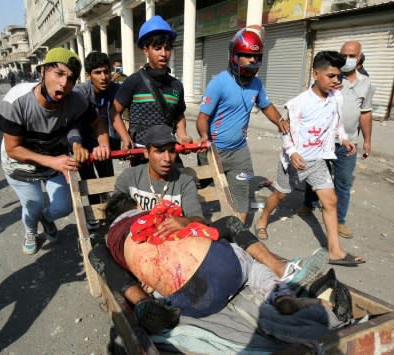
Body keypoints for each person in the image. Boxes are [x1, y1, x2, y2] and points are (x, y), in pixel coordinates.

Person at [114, 124, 327, 285]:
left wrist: (185, 220)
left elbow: (198, 219)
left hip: (183, 240)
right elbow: (115, 222)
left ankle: (281, 269)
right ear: (146, 153)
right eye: (159, 151)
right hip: (147, 249)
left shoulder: (184, 180)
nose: (167, 158)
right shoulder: (129, 179)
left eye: (171, 150)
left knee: (232, 223)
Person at [104, 192, 325, 320]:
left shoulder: (112, 241)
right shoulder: (152, 211)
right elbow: (201, 227)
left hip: (190, 304)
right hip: (226, 268)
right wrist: (187, 221)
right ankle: (281, 287)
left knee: (157, 281)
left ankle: (144, 304)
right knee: (249, 264)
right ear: (137, 205)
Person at [254, 51, 365, 266]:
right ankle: (263, 217)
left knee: (330, 201)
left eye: (338, 76)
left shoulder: (336, 97)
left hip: (318, 161)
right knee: (280, 195)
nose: (336, 81)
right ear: (315, 74)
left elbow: (337, 123)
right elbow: (286, 132)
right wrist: (293, 152)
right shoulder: (298, 104)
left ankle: (335, 251)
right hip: (295, 162)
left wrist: (343, 139)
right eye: (330, 76)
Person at [0, 47, 110, 255]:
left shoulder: (76, 100)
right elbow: (13, 149)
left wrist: (103, 145)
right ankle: (30, 230)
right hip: (20, 165)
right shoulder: (16, 101)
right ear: (42, 72)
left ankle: (46, 220)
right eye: (58, 73)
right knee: (35, 204)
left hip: (53, 160)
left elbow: (98, 124)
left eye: (71, 78)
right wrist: (53, 162)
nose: (64, 83)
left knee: (63, 207)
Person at [196, 26, 289, 224]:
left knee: (242, 191)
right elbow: (202, 117)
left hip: (240, 152)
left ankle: (238, 235)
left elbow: (266, 106)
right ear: (235, 56)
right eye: (247, 56)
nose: (253, 60)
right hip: (214, 151)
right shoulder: (218, 83)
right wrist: (205, 140)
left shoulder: (256, 84)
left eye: (256, 56)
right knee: (203, 192)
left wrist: (281, 121)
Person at [299, 41, 373, 240]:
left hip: (348, 141)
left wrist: (367, 140)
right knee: (313, 173)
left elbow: (365, 114)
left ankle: (339, 220)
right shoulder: (327, 79)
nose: (348, 59)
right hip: (321, 140)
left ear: (360, 58)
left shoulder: (365, 83)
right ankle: (309, 203)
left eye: (353, 55)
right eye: (344, 55)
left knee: (343, 182)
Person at [111, 15, 192, 167]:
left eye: (167, 48)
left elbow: (179, 114)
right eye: (157, 48)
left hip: (168, 153)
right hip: (141, 154)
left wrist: (182, 135)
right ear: (145, 50)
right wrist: (125, 137)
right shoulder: (134, 81)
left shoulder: (176, 85)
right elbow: (114, 111)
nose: (163, 53)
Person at [74, 51, 122, 230]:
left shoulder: (114, 89)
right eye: (97, 72)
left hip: (104, 142)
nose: (103, 77)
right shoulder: (80, 93)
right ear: (88, 75)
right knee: (88, 180)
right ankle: (93, 214)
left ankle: (107, 209)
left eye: (106, 71)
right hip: (83, 143)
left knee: (107, 177)